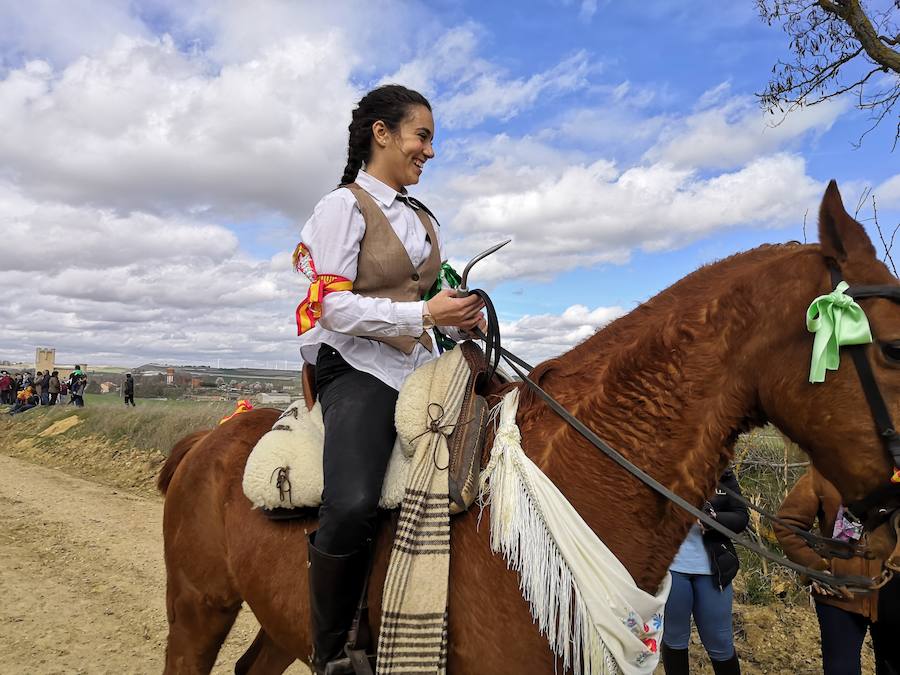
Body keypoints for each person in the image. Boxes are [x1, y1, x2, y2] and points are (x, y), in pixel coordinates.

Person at [296, 84, 485, 674]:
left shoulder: (424, 218)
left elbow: (426, 295)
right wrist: (426, 314)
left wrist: (458, 321)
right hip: (356, 364)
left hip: (419, 363)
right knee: (351, 502)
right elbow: (332, 308)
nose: (429, 150)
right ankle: (329, 651)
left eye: (432, 139)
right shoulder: (341, 207)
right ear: (383, 133)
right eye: (422, 136)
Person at [774, 467, 900, 675]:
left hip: (893, 592)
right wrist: (815, 567)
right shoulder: (824, 469)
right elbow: (787, 525)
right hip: (838, 593)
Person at [661, 468, 748, 675]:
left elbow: (741, 516)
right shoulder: (665, 467)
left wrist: (715, 520)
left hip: (713, 570)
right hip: (672, 568)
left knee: (720, 642)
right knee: (674, 638)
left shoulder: (723, 475)